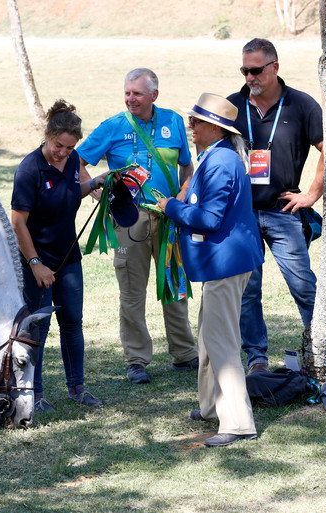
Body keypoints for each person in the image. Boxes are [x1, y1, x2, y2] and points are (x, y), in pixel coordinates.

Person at [227, 38, 326, 375]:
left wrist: (310, 195)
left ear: (275, 67)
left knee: (305, 287)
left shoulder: (301, 105)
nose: (250, 77)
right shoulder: (232, 106)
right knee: (248, 292)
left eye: (256, 70)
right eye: (245, 70)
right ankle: (256, 359)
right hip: (242, 217)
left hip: (284, 212)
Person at [77, 68, 198, 385]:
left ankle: (185, 353)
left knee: (173, 285)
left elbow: (188, 166)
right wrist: (93, 188)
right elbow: (76, 162)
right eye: (127, 93)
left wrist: (182, 196)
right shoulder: (113, 126)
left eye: (138, 94)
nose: (131, 99)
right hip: (128, 219)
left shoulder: (173, 121)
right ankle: (136, 361)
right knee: (132, 292)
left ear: (154, 95)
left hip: (170, 217)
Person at [157, 93, 261, 447]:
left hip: (225, 261)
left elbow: (209, 218)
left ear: (215, 128)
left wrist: (170, 206)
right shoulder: (217, 156)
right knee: (207, 335)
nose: (191, 126)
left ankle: (238, 422)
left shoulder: (220, 162)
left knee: (221, 341)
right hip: (223, 261)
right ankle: (210, 407)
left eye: (196, 121)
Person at [11, 99, 113, 411]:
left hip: (69, 258)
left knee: (73, 322)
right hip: (37, 262)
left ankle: (77, 389)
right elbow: (18, 222)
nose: (64, 153)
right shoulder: (30, 170)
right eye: (59, 146)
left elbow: (72, 190)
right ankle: (35, 394)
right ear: (48, 136)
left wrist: (96, 181)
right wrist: (36, 264)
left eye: (70, 148)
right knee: (38, 328)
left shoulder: (72, 161)